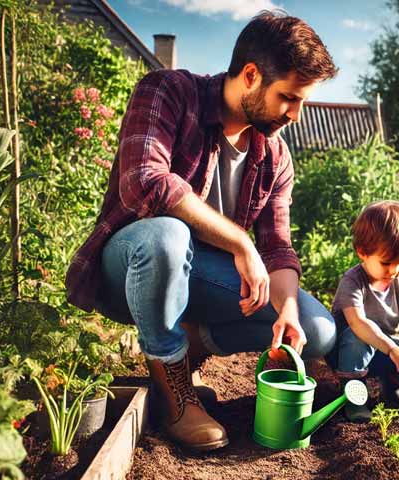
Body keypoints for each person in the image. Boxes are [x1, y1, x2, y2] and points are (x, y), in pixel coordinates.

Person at [65, 11, 339, 450]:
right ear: (251, 75)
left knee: (317, 328)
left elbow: (278, 247)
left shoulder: (275, 157)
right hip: (133, 268)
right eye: (289, 97)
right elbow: (144, 182)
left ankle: (187, 346)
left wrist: (286, 308)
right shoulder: (169, 92)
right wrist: (238, 242)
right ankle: (176, 392)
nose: (296, 114)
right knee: (168, 236)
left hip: (198, 280)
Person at [326, 201, 399, 422]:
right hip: (346, 352)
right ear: (362, 252)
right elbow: (358, 322)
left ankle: (391, 390)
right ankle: (354, 396)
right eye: (387, 262)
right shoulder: (353, 281)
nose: (395, 270)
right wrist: (391, 349)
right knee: (358, 337)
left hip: (384, 350)